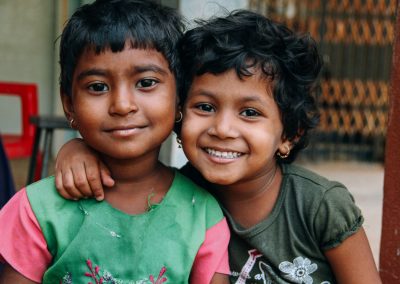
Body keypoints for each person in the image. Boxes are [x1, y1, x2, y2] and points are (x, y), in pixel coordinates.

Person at [52, 9, 382, 284]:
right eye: (205, 107)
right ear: (178, 115)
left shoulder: (319, 206)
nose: (222, 129)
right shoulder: (176, 197)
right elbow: (127, 179)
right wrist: (78, 149)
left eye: (250, 113)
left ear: (289, 134)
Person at [0, 1, 231, 283]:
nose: (122, 105)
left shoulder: (202, 216)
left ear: (179, 97)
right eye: (98, 87)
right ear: (69, 104)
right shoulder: (37, 209)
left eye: (146, 82)